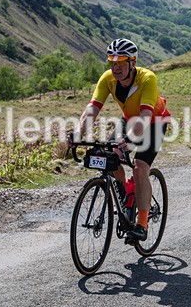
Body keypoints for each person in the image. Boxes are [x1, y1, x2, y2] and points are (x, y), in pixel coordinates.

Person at [69, 39, 170, 241]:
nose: (115, 67)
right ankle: (126, 196)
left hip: (154, 122)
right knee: (111, 156)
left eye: (121, 63)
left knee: (140, 167)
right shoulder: (108, 79)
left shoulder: (147, 78)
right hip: (129, 121)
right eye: (112, 62)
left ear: (132, 63)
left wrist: (130, 139)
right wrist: (78, 133)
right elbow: (92, 109)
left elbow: (145, 117)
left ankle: (142, 223)